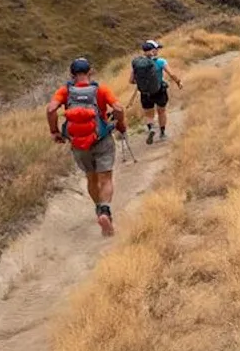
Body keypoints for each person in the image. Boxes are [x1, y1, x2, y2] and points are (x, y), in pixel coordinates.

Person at [48, 57, 130, 236]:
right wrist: (120, 124)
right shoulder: (101, 89)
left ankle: (98, 208)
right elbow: (118, 108)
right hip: (101, 139)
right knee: (106, 178)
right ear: (91, 71)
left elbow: (51, 109)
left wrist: (54, 131)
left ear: (71, 74)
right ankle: (105, 210)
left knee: (91, 178)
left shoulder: (64, 91)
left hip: (78, 143)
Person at [129, 39, 183, 143]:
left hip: (145, 93)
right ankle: (162, 134)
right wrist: (178, 82)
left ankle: (151, 129)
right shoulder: (160, 61)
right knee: (161, 111)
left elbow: (131, 81)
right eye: (157, 49)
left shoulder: (137, 63)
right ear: (153, 50)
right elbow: (171, 74)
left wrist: (142, 83)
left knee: (148, 114)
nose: (158, 50)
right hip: (159, 91)